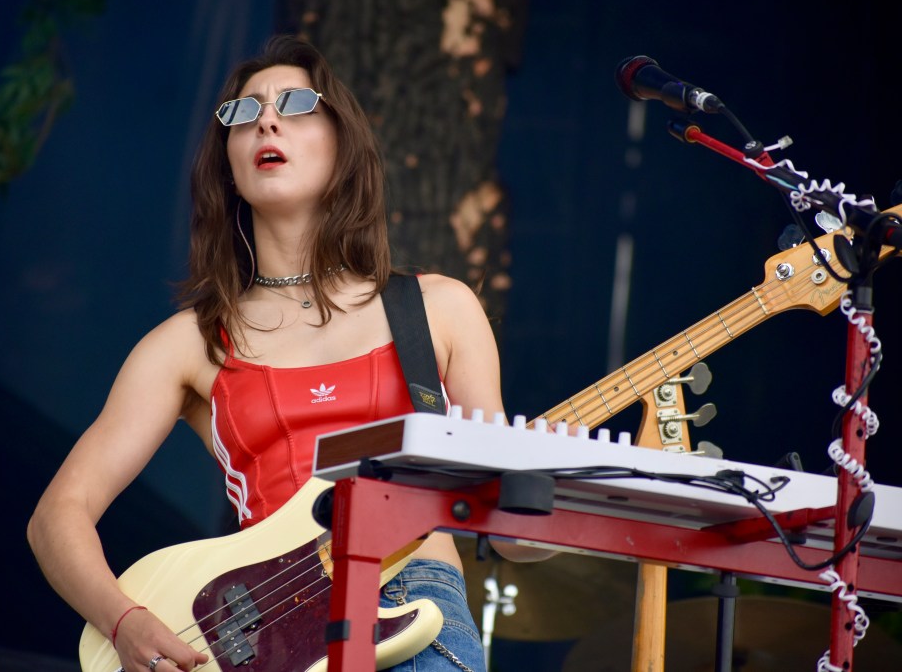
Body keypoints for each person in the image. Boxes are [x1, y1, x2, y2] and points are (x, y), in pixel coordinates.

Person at [28, 34, 538, 672]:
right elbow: (58, 515)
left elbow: (514, 537)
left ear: (341, 142)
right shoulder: (188, 343)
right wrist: (124, 620)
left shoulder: (439, 308)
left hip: (416, 605)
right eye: (243, 113)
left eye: (295, 103)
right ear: (230, 165)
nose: (266, 118)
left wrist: (562, 498)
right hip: (269, 631)